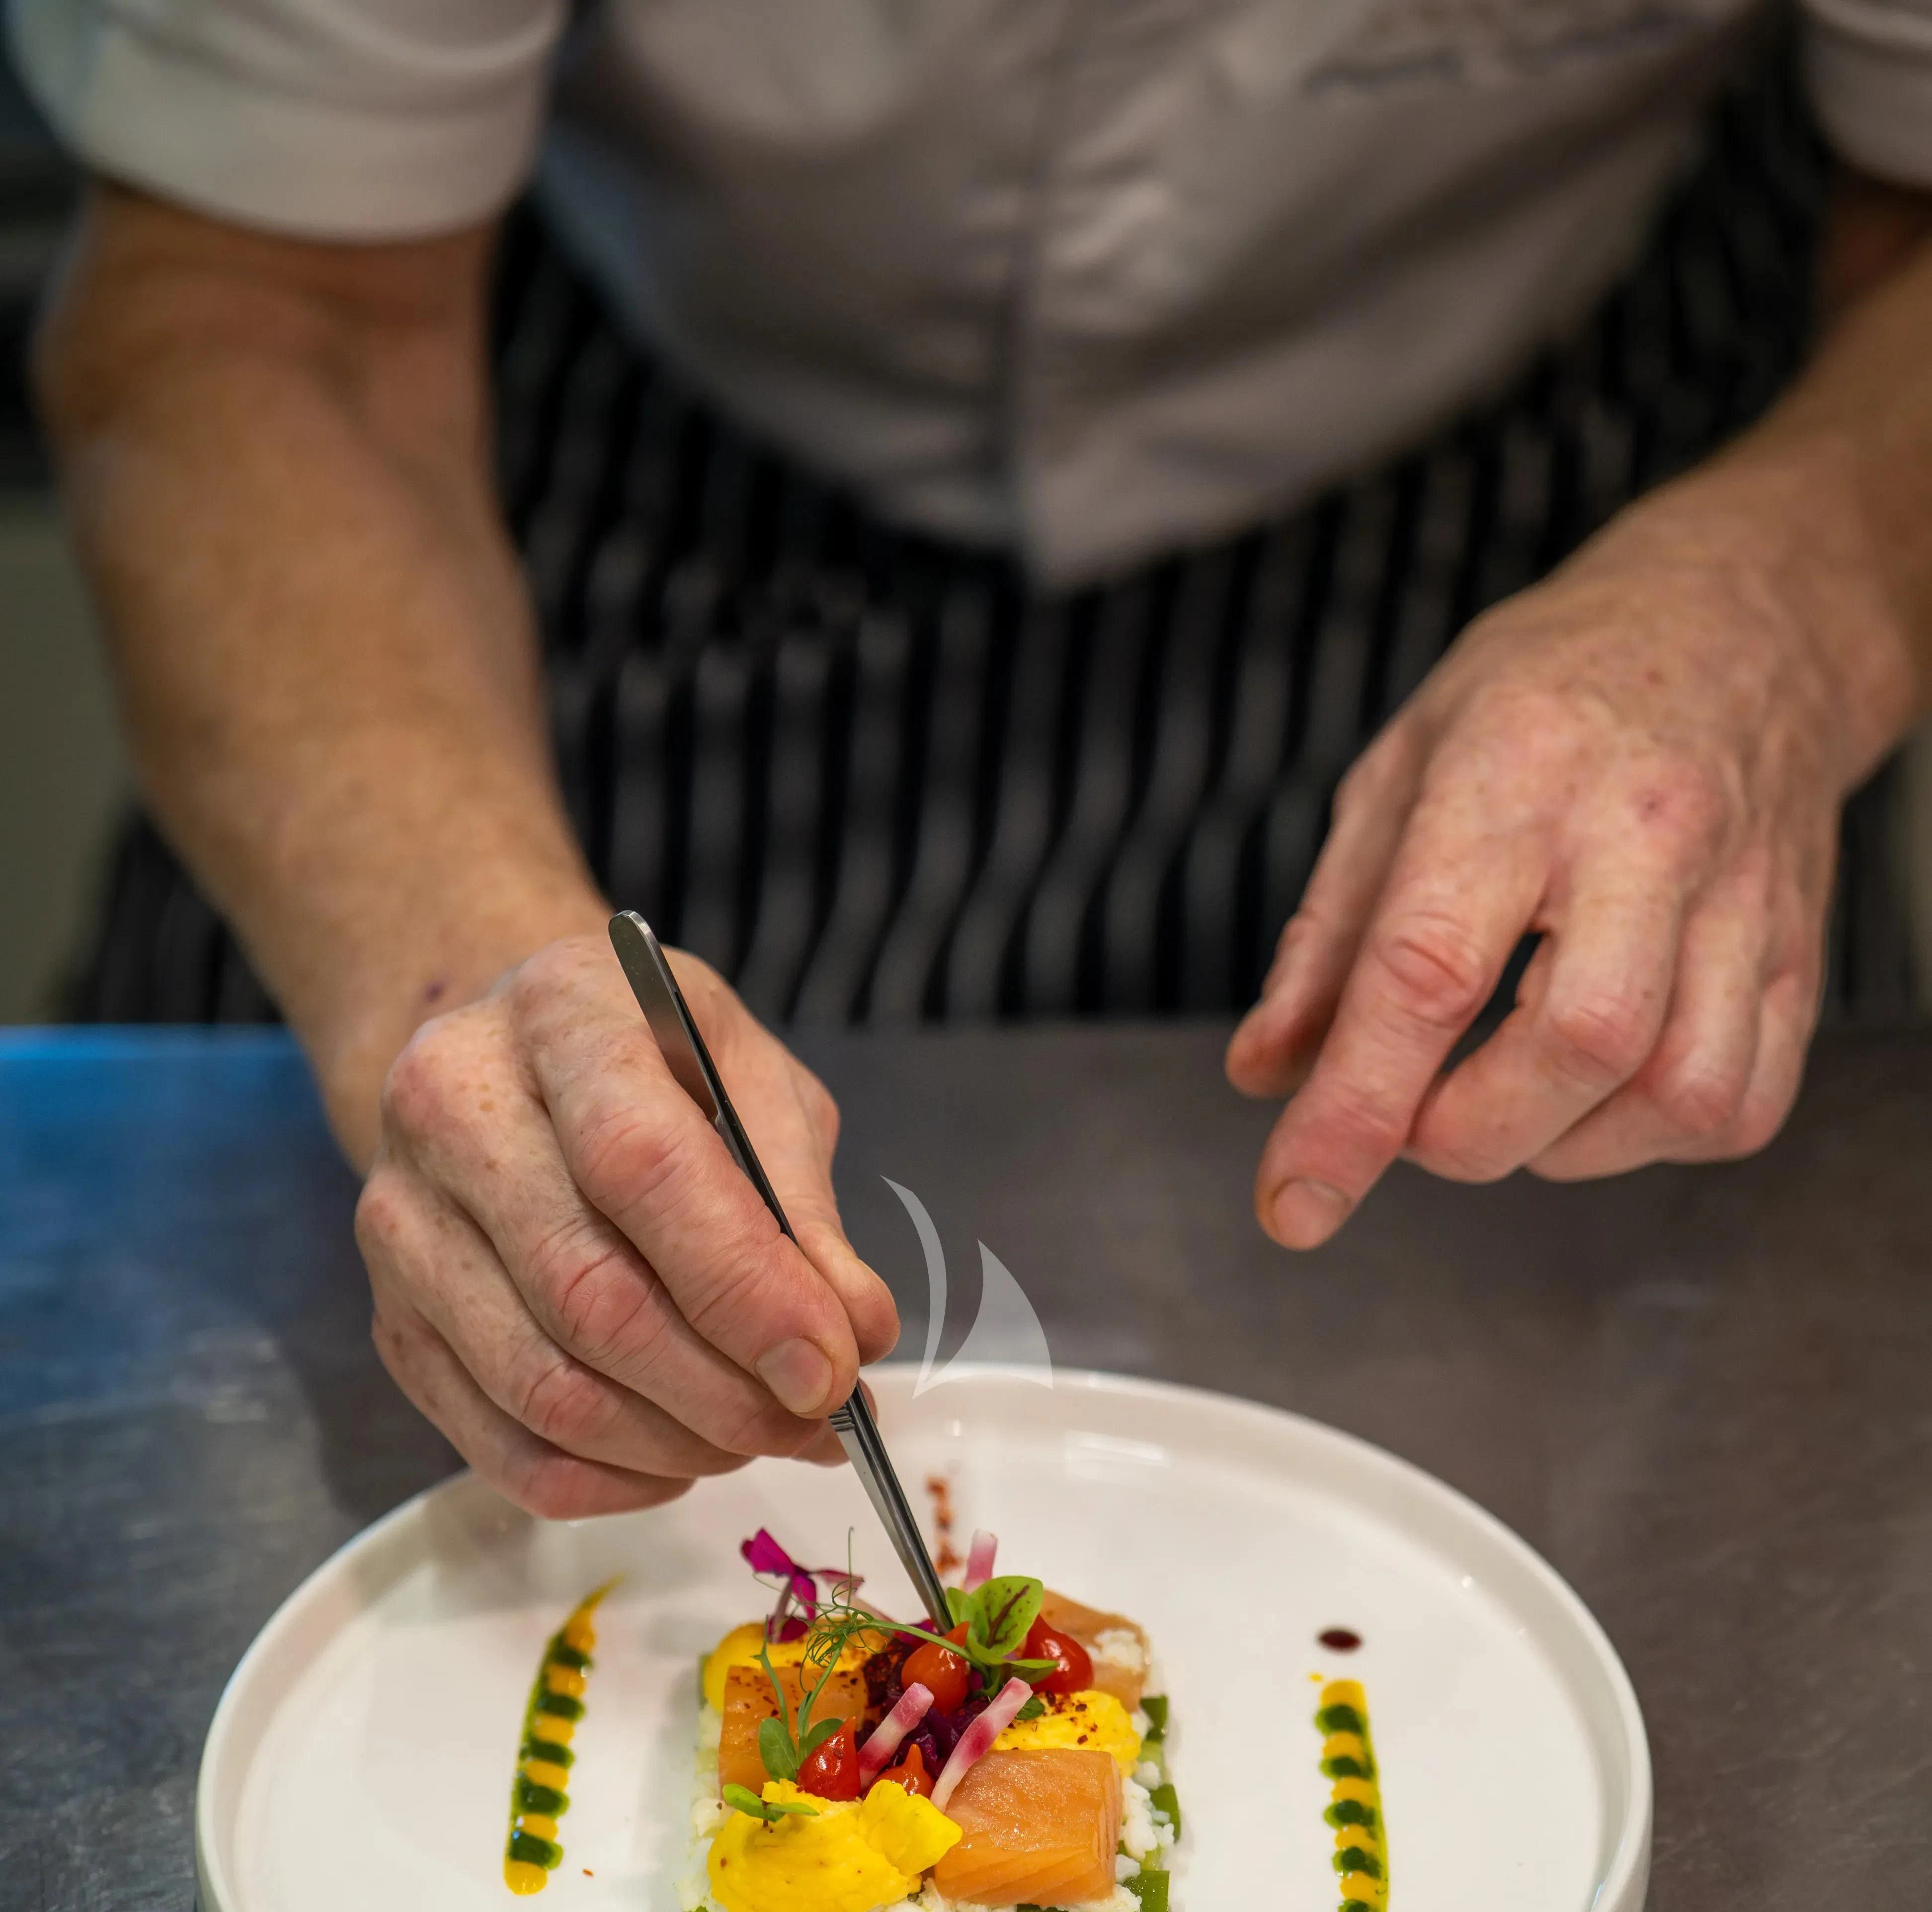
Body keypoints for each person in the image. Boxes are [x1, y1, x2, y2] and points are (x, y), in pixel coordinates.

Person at [11, 0, 1931, 1520]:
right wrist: (461, 975)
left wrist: (1790, 602)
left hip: (1564, 503)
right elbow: (257, 310)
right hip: (570, 482)